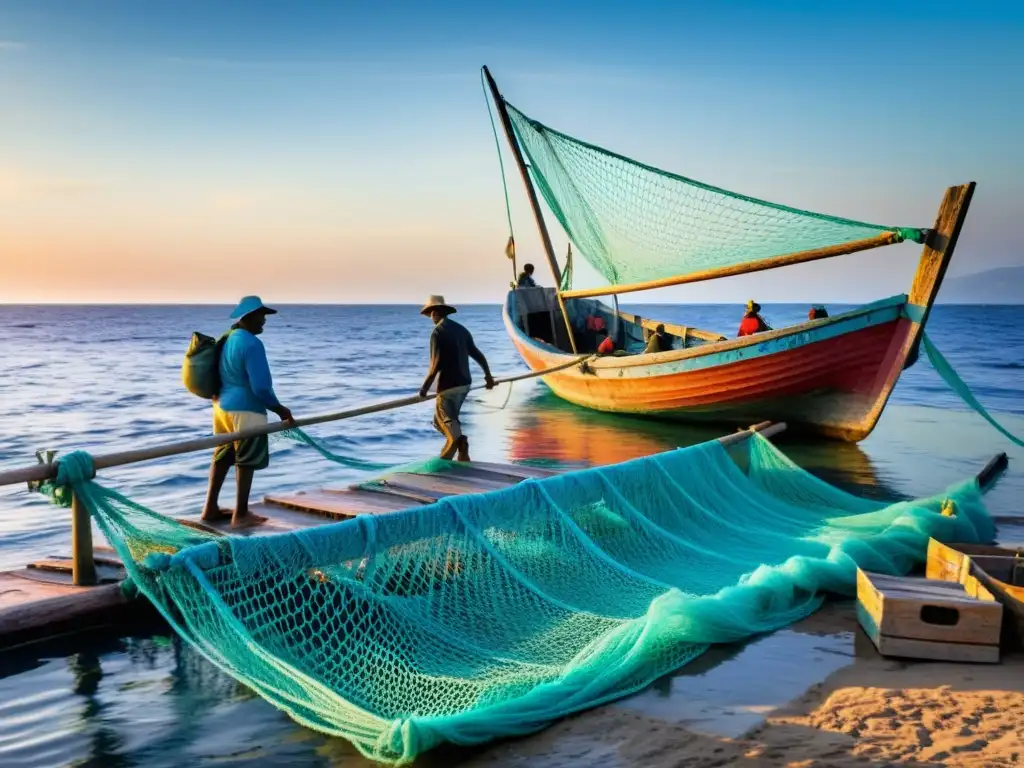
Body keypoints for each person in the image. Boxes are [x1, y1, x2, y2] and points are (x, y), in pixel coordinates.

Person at [201, 296, 293, 529]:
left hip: (221, 407)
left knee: (223, 455)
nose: (264, 321)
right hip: (246, 408)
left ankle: (210, 508)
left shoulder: (228, 339)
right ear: (250, 316)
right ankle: (240, 514)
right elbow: (260, 387)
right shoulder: (251, 343)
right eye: (261, 316)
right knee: (247, 458)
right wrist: (280, 409)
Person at [418, 295, 494, 461]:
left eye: (431, 313)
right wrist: (488, 376)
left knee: (442, 421)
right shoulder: (462, 330)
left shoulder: (437, 333)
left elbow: (435, 365)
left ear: (434, 313)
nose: (431, 317)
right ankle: (462, 449)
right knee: (451, 420)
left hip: (448, 385)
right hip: (465, 384)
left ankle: (456, 445)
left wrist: (424, 388)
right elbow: (477, 355)